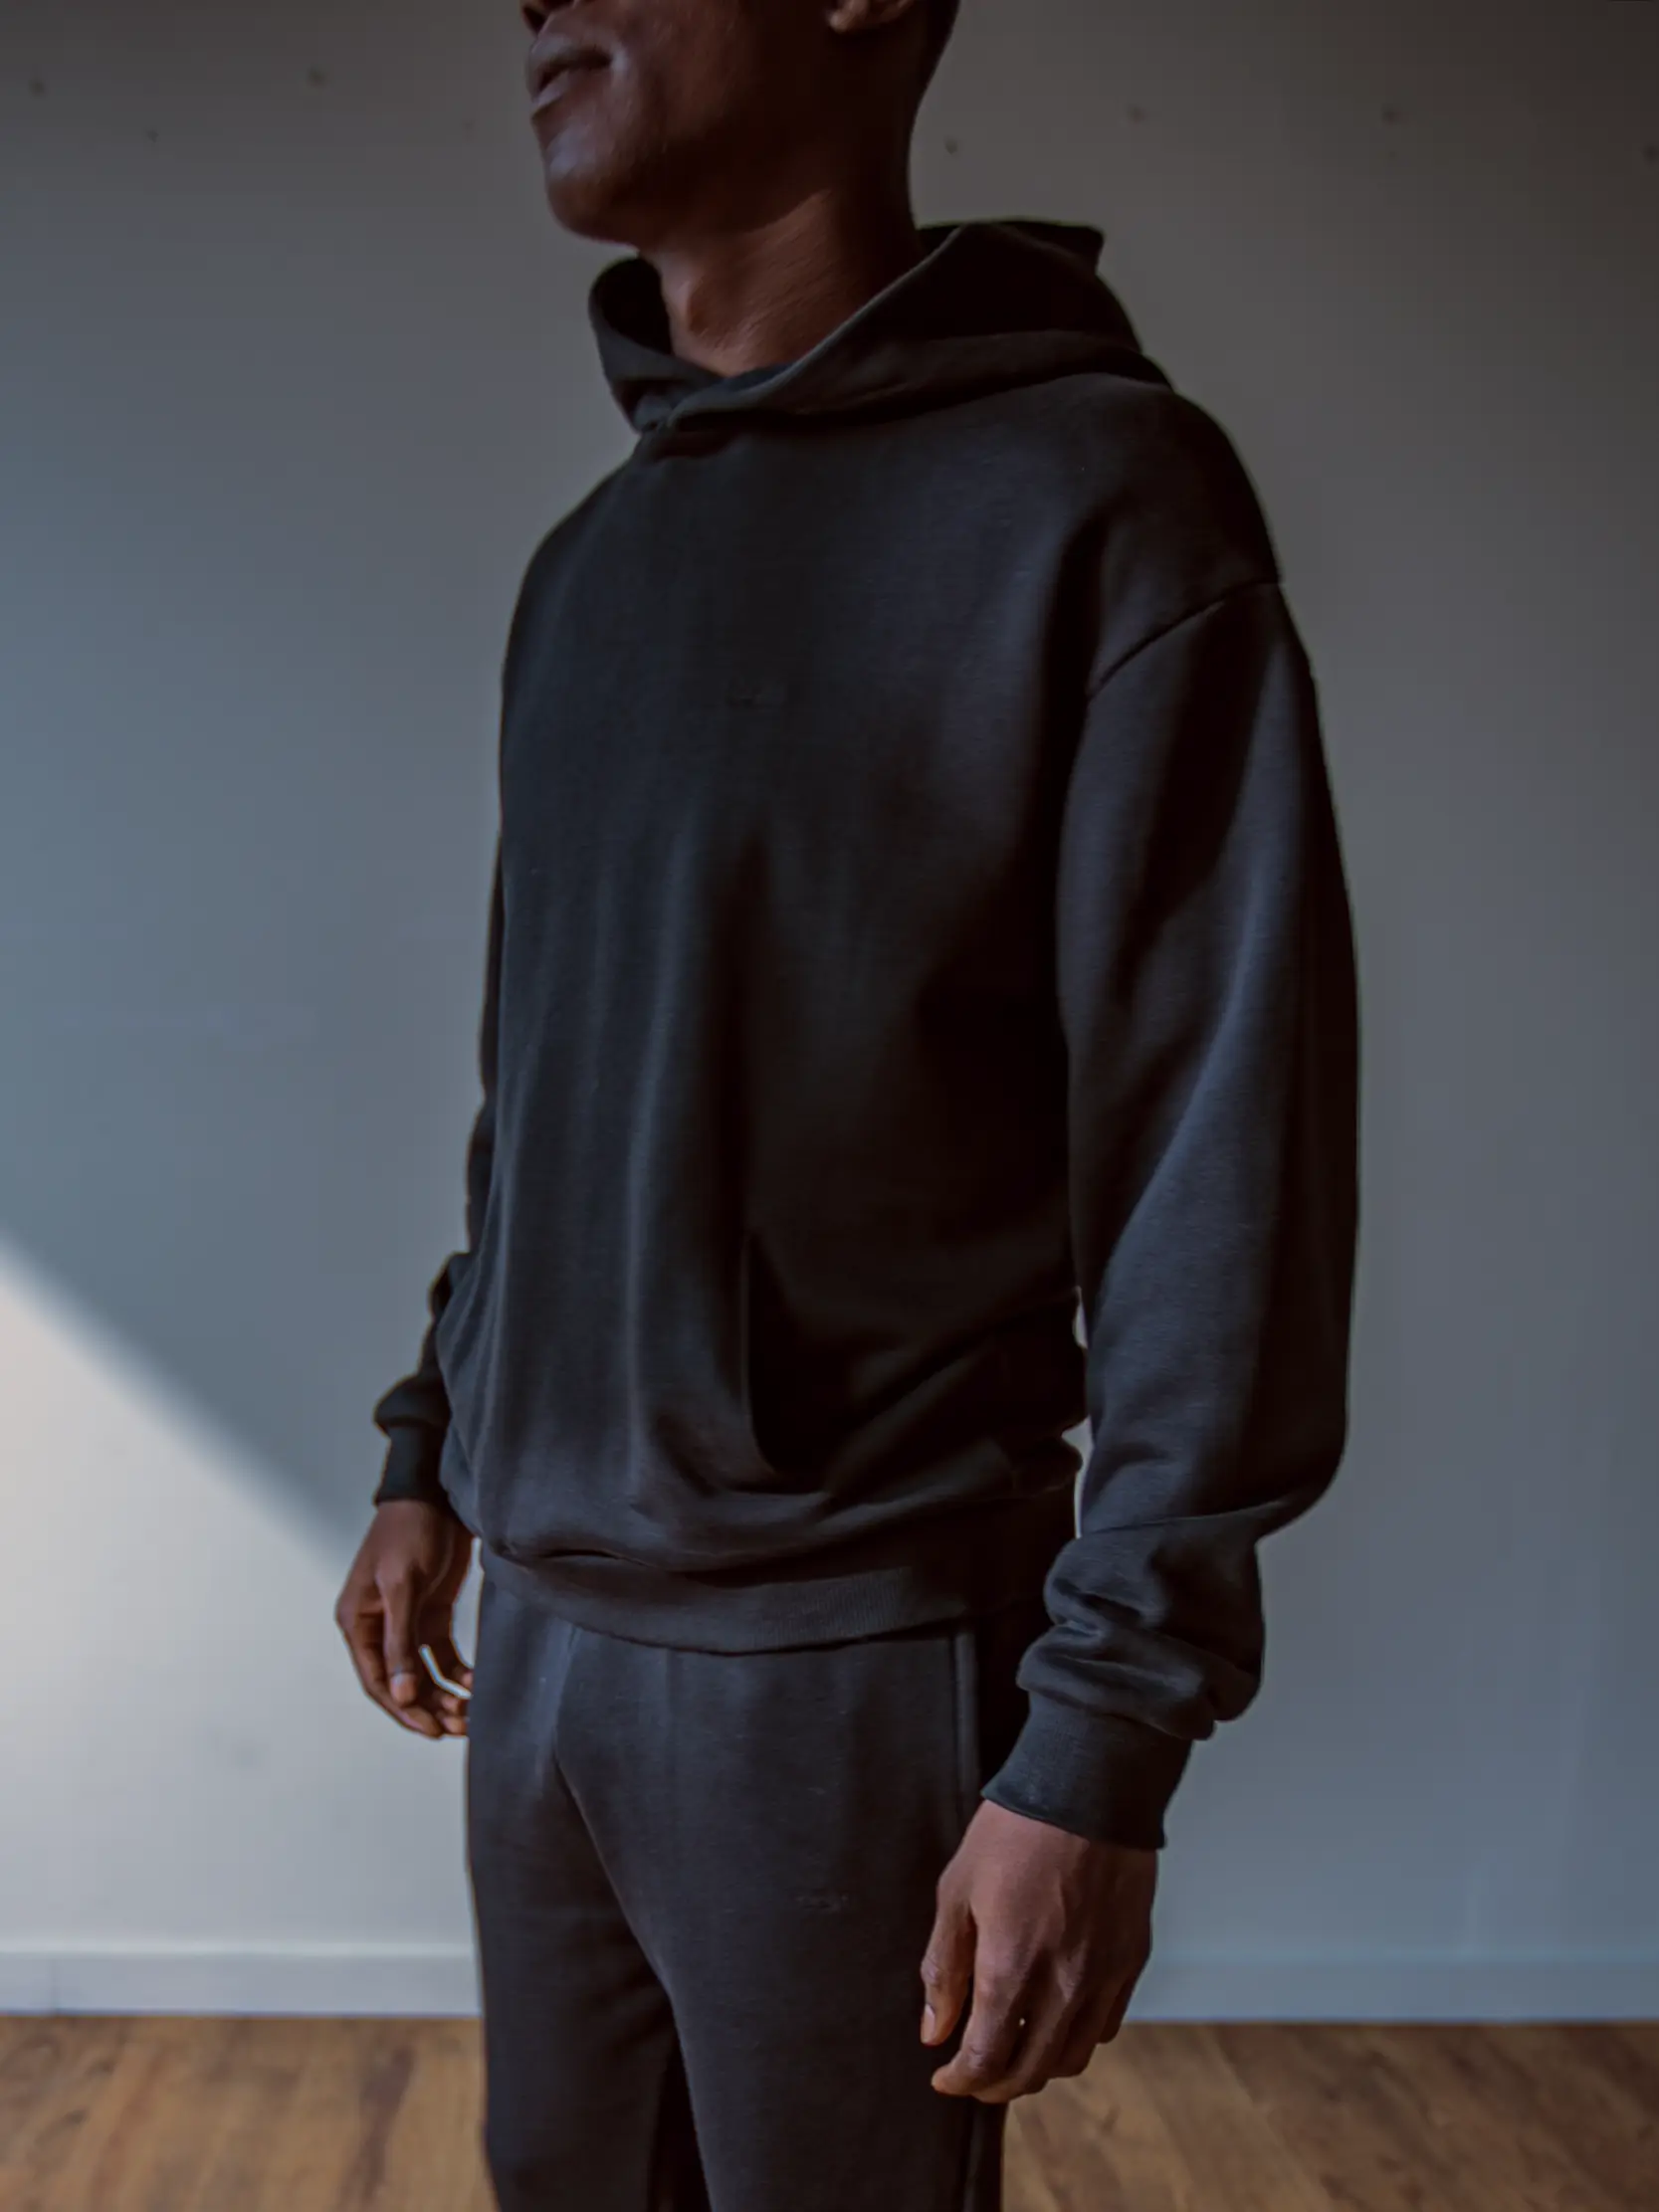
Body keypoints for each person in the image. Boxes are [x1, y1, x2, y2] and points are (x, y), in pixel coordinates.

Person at [334, 0, 1359, 2204]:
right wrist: (433, 1441)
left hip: (842, 1661)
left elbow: (1218, 1159)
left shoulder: (1099, 502)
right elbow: (547, 1085)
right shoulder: (589, 568)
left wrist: (1103, 1734)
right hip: (543, 1649)